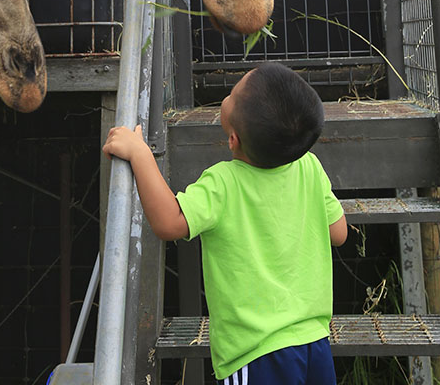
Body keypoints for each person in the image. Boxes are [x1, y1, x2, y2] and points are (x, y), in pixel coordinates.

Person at [103, 61, 347, 385]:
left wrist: (141, 156)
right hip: (314, 344)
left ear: (233, 140)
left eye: (231, 95)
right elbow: (339, 232)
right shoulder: (310, 168)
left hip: (256, 352)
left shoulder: (223, 184)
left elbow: (169, 221)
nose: (226, 97)